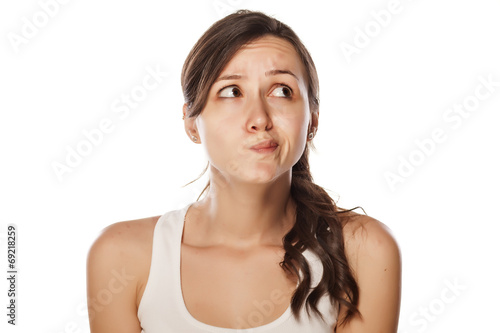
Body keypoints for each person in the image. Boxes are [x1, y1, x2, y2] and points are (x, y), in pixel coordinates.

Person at [86, 9, 401, 333]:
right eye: (232, 92)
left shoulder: (364, 252)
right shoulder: (122, 256)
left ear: (313, 119)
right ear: (192, 122)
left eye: (282, 90)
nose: (259, 118)